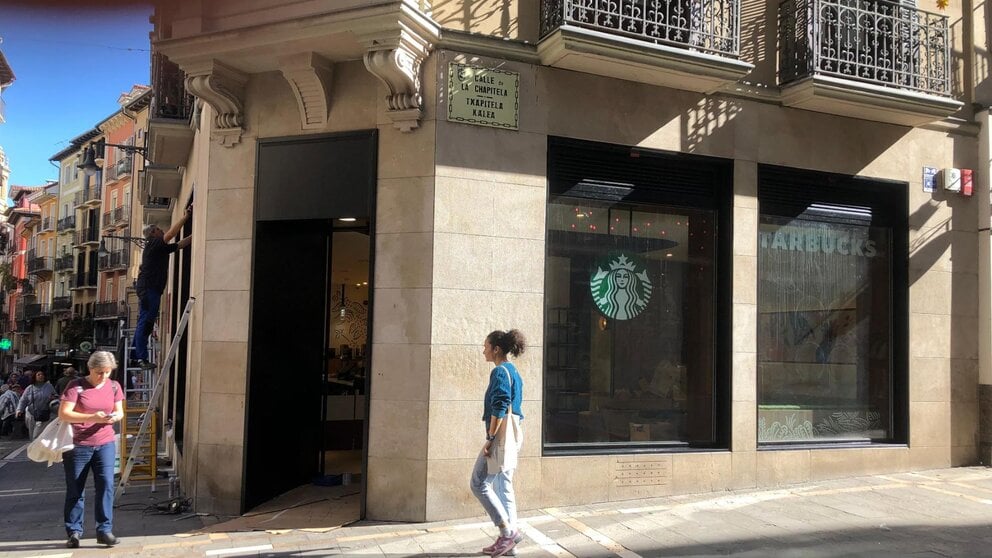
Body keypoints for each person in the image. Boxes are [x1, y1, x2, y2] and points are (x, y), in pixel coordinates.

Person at [58, 351, 124, 548]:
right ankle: (74, 532)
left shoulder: (114, 386)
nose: (103, 376)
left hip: (105, 443)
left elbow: (120, 411)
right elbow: (64, 414)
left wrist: (114, 417)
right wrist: (93, 417)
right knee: (75, 488)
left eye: (107, 372)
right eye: (99, 372)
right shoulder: (75, 386)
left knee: (106, 485)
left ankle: (104, 530)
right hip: (78, 445)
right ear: (90, 368)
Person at [471, 329, 526, 558]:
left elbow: (501, 405)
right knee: (504, 485)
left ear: (496, 349)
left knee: (478, 483)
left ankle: (506, 532)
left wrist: (490, 439)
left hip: (502, 438)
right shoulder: (514, 371)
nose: (483, 350)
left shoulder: (500, 372)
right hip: (514, 436)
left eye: (486, 346)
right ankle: (511, 535)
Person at [133, 207, 192, 369]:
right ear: (152, 233)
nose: (162, 231)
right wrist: (186, 217)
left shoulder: (158, 248)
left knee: (146, 321)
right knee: (145, 322)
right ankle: (141, 358)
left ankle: (138, 356)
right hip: (149, 288)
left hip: (150, 289)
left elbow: (179, 244)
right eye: (159, 229)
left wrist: (196, 235)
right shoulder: (153, 244)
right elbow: (171, 235)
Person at [16, 369, 57, 440]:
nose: (41, 376)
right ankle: (34, 447)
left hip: (44, 413)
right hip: (31, 414)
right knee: (32, 434)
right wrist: (19, 410)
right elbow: (23, 400)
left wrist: (53, 398)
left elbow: (56, 396)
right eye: (38, 375)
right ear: (34, 377)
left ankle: (37, 446)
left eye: (42, 375)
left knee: (37, 434)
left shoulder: (49, 386)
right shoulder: (30, 388)